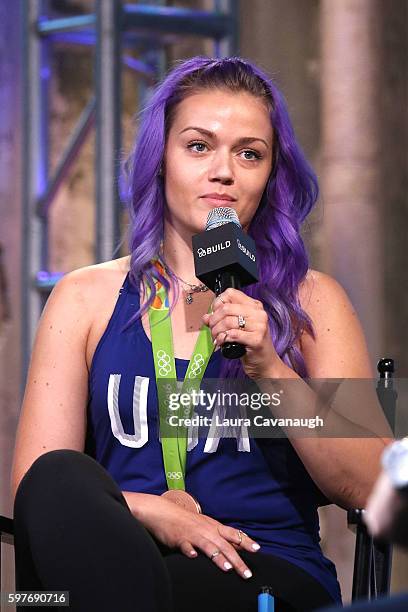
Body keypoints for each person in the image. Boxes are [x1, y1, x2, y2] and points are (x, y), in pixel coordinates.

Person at [10, 56, 392, 612]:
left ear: (270, 174)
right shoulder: (84, 297)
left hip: (261, 570)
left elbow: (369, 488)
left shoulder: (311, 300)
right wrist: (144, 509)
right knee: (64, 503)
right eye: (198, 146)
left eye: (249, 153)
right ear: (160, 160)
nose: (224, 172)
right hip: (118, 556)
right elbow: (40, 490)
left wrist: (272, 370)